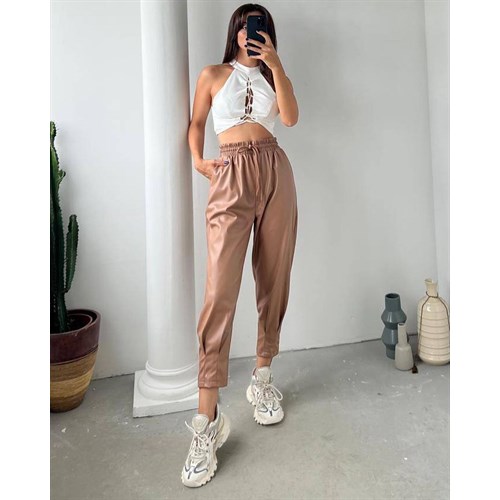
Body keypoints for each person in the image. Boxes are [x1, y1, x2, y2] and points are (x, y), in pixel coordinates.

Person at [182, 4, 299, 487]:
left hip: (274, 171)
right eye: (247, 26)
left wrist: (276, 64)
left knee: (274, 276)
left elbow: (290, 118)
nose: (252, 33)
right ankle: (207, 419)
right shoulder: (212, 74)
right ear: (234, 32)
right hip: (229, 172)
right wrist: (198, 160)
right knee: (219, 294)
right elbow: (196, 123)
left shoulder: (274, 76)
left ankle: (262, 377)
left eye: (261, 26)